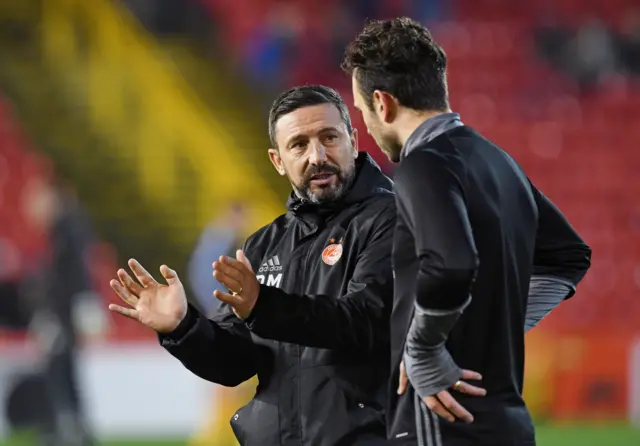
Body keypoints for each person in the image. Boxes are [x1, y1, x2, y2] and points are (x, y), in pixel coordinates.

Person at [342, 17, 592, 446]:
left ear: (382, 104)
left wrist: (423, 350)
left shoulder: (422, 165)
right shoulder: (499, 162)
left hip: (441, 417)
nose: (366, 126)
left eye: (362, 112)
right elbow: (569, 256)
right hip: (506, 422)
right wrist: (487, 328)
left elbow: (452, 264)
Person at [108, 85, 396, 445]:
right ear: (277, 161)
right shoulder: (264, 244)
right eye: (298, 145)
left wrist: (263, 306)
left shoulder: (390, 218)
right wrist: (183, 327)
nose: (317, 155)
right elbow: (236, 363)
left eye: (329, 137)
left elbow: (364, 320)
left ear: (353, 142)